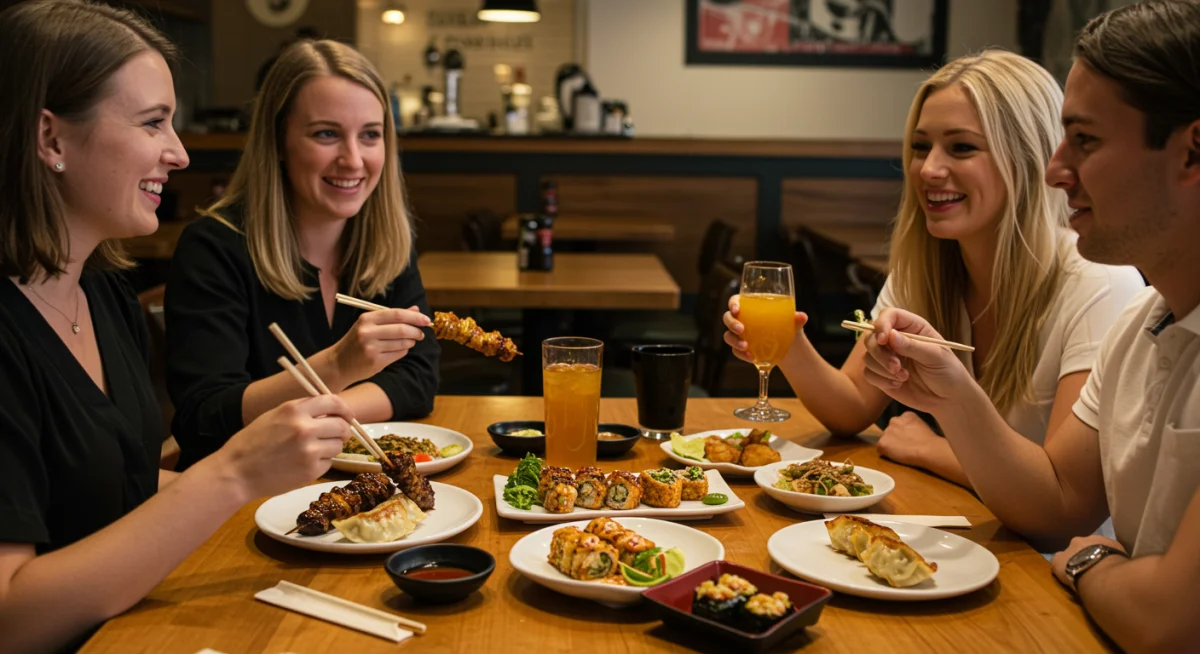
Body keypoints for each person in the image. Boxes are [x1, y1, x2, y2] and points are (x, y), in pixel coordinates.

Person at [0, 2, 355, 650]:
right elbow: (10, 616)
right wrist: (233, 475)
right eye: (152, 123)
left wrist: (279, 482)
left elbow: (124, 491)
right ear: (50, 138)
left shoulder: (103, 295)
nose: (180, 153)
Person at [859, 1, 1200, 649]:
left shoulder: (1107, 294)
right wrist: (952, 395)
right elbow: (1059, 504)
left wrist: (1089, 559)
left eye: (1087, 141)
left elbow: (1167, 623)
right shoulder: (1142, 324)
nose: (1052, 170)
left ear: (1191, 151)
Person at [723, 49, 1144, 487]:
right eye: (921, 147)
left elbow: (1062, 495)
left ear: (1028, 157)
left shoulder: (1098, 281)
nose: (928, 168)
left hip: (1048, 553)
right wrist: (786, 342)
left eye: (961, 147)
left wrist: (933, 449)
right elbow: (850, 410)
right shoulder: (924, 268)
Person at [165, 39, 439, 469]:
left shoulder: (385, 242)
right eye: (326, 134)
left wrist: (328, 409)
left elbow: (418, 378)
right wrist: (337, 365)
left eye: (370, 135)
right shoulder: (213, 248)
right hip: (240, 499)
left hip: (352, 490)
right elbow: (205, 418)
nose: (353, 160)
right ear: (277, 141)